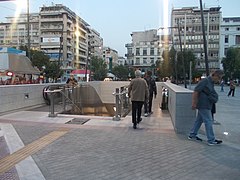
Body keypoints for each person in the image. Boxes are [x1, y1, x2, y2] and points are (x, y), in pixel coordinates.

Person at [188, 69, 224, 145]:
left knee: (199, 120)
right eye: (219, 77)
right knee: (208, 121)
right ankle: (211, 140)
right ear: (215, 75)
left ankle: (192, 135)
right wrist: (194, 103)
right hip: (203, 105)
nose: (219, 80)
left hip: (207, 104)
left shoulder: (210, 82)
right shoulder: (205, 81)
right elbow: (196, 91)